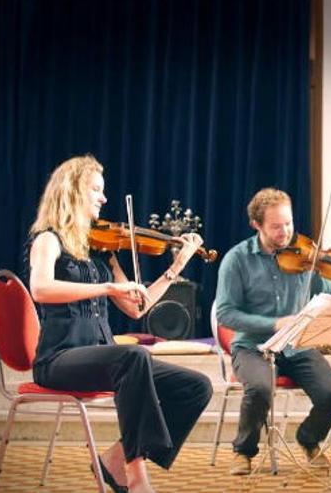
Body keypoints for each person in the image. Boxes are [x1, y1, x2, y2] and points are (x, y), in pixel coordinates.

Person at [27, 155, 213, 493]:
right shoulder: (48, 240)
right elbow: (40, 289)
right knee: (134, 356)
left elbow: (136, 307)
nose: (104, 198)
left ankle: (113, 460)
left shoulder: (101, 250)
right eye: (96, 189)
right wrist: (108, 287)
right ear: (71, 192)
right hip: (57, 359)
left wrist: (176, 267)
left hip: (104, 357)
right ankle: (135, 470)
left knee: (197, 386)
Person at [215, 187, 331, 475]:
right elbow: (226, 313)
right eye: (276, 226)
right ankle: (243, 451)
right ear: (257, 224)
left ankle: (308, 438)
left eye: (288, 223)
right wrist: (273, 323)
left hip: (298, 345)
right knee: (261, 389)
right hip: (253, 346)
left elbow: (329, 295)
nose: (285, 231)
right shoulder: (237, 260)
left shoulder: (306, 258)